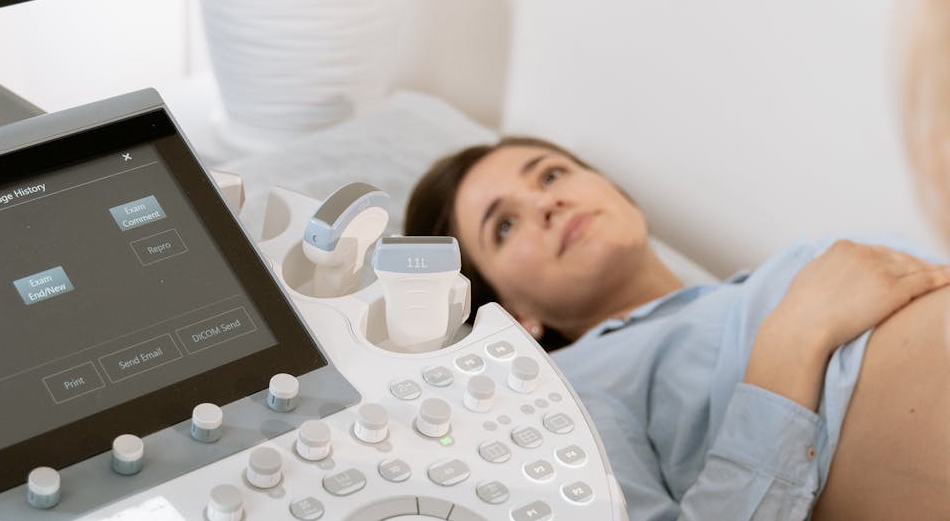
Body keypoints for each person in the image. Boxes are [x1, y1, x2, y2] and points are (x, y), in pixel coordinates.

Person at [404, 135, 950, 519]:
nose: (547, 202)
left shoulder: (741, 292)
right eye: (503, 225)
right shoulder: (558, 393)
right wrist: (792, 342)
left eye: (551, 174)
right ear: (514, 318)